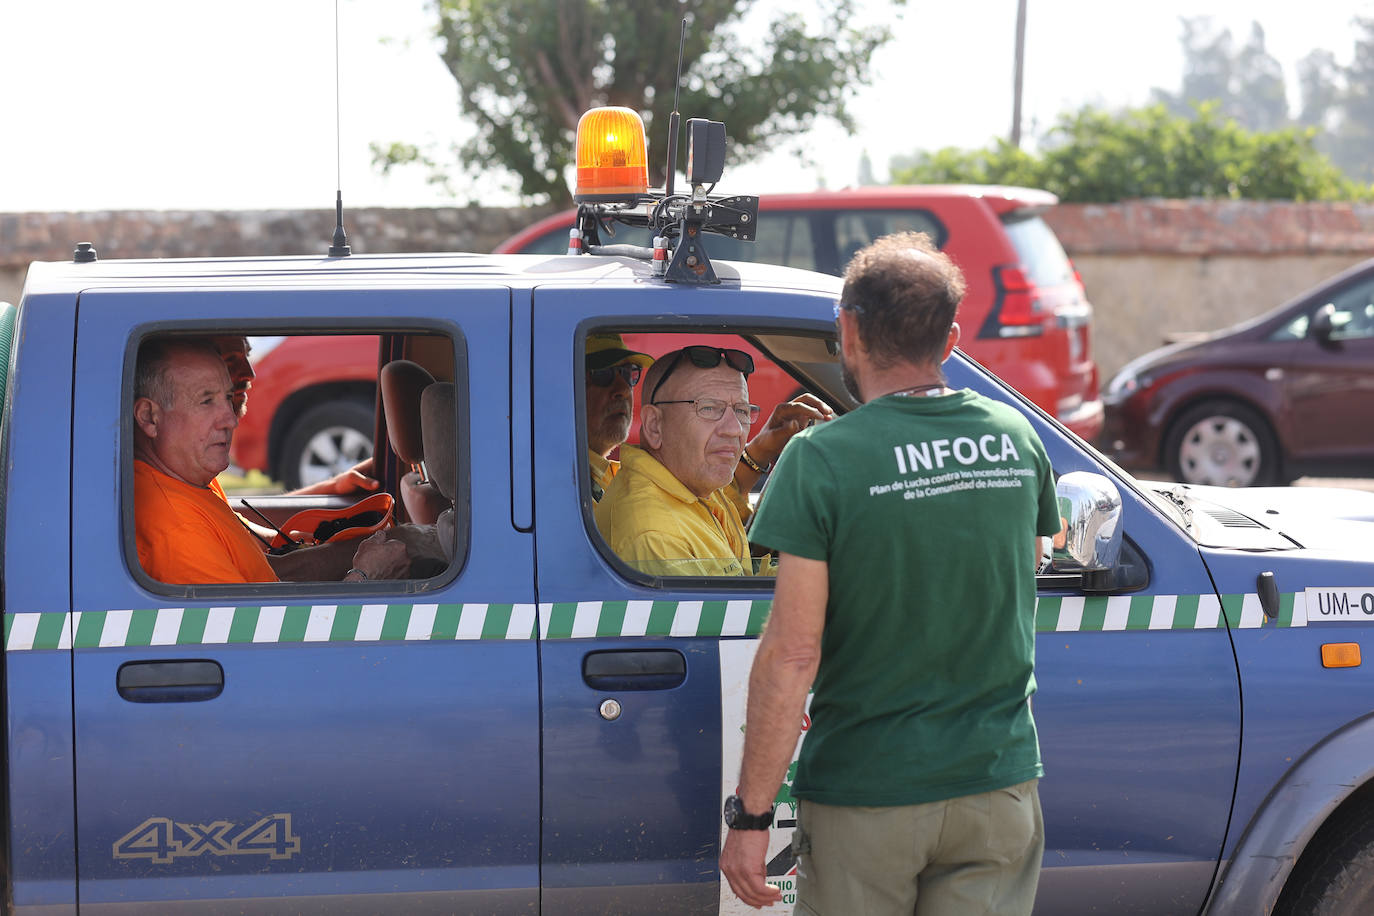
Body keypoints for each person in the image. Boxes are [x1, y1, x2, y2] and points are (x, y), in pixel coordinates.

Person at [720, 232, 1061, 915]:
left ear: (847, 331)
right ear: (952, 339)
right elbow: (1028, 564)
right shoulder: (1015, 437)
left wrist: (751, 819)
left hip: (867, 798)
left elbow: (792, 654)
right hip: (996, 789)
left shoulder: (821, 460)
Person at [133, 338, 408, 585]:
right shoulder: (177, 531)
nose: (229, 420)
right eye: (206, 401)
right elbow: (254, 639)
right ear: (149, 417)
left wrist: (331, 491)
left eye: (227, 398)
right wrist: (366, 577)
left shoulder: (181, 480)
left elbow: (261, 563)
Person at [594, 344, 830, 576]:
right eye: (708, 408)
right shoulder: (657, 537)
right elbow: (729, 613)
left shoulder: (692, 482)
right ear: (655, 426)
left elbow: (743, 577)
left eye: (741, 410)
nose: (734, 429)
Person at [212, 335, 380, 496]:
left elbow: (248, 523)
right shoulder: (191, 503)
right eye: (231, 361)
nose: (250, 374)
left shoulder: (208, 490)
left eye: (248, 357)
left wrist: (334, 486)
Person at [584, 333, 655, 501]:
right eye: (603, 373)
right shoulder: (560, 481)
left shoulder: (612, 478)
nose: (623, 389)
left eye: (628, 373)